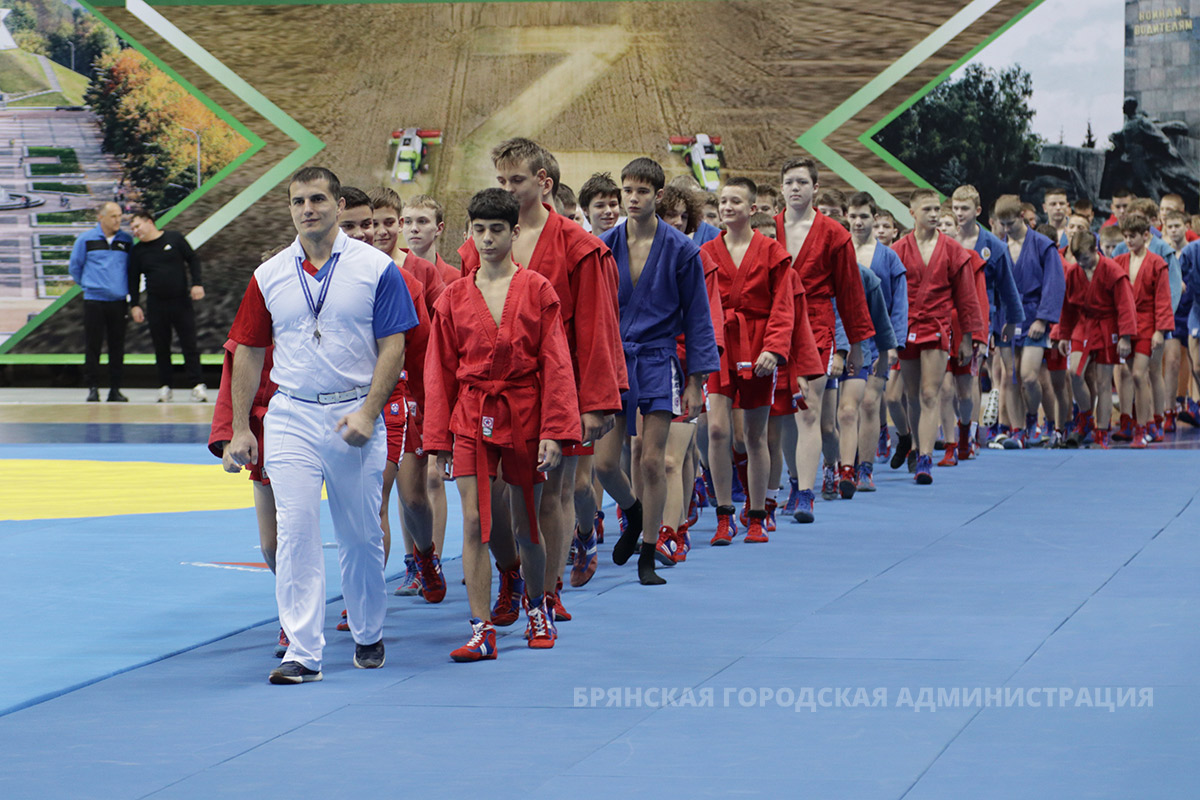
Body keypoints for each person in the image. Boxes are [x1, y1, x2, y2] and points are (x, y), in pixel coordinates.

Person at [225, 166, 419, 684]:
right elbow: (247, 350)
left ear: (337, 205)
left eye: (316, 199)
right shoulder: (268, 274)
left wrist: (369, 412)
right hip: (290, 414)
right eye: (297, 202)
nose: (306, 209)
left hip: (352, 412)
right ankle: (303, 653)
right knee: (295, 531)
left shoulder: (376, 268)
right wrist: (241, 426)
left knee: (359, 534)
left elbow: (393, 346)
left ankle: (367, 630)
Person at [459, 138, 624, 634]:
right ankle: (513, 573)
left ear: (544, 183)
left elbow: (597, 328)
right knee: (500, 497)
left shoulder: (580, 246)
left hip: (558, 389)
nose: (507, 190)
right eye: (501, 181)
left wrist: (596, 401)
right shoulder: (479, 244)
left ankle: (545, 592)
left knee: (551, 495)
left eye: (516, 181)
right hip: (492, 392)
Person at [425, 188, 579, 660]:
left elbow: (556, 363)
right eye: (479, 230)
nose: (487, 239)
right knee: (475, 523)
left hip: (526, 412)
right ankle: (480, 627)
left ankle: (537, 606)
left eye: (497, 230)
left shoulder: (537, 289)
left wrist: (555, 430)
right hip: (471, 415)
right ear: (468, 233)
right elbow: (440, 372)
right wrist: (438, 440)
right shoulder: (453, 297)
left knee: (527, 522)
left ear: (514, 232)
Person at [593, 158, 718, 584]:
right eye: (627, 191)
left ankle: (649, 552)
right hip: (615, 360)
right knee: (605, 463)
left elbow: (698, 316)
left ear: (658, 196)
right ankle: (634, 510)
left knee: (653, 461)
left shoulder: (683, 250)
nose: (632, 198)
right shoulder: (605, 245)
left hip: (660, 360)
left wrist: (698, 380)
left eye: (642, 191)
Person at [338, 187, 446, 608]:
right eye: (359, 225)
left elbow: (423, 354)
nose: (371, 233)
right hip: (345, 404)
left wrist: (433, 414)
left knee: (414, 498)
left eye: (378, 223)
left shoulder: (408, 280)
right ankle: (362, 597)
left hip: (403, 400)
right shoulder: (323, 279)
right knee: (372, 500)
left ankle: (425, 555)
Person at [775, 157, 873, 521]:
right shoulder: (768, 230)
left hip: (816, 322)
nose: (795, 188)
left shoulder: (835, 234)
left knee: (810, 410)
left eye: (802, 182)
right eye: (790, 182)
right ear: (782, 187)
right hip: (778, 326)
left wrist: (857, 345)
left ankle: (806, 493)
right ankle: (796, 479)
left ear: (816, 188)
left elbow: (850, 294)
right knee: (784, 414)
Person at [704, 177, 795, 542]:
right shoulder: (707, 251)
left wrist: (773, 348)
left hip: (758, 345)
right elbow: (701, 305)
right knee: (716, 430)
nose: (727, 207)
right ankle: (724, 514)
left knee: (755, 436)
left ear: (752, 209)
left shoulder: (773, 252)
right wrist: (704, 347)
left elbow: (783, 306)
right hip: (720, 345)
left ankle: (756, 515)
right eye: (723, 201)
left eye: (736, 202)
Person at [210, 244, 287, 656]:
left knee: (335, 532)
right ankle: (290, 614)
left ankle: (350, 612)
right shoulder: (244, 340)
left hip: (318, 430)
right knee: (272, 545)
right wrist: (230, 438)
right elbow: (230, 388)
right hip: (265, 438)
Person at [892, 188, 984, 482]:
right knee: (910, 395)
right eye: (927, 210)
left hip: (937, 327)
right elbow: (891, 297)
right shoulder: (898, 249)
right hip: (906, 329)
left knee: (930, 393)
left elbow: (967, 298)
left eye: (936, 209)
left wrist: (968, 337)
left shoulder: (954, 250)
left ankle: (925, 458)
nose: (934, 215)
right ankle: (917, 446)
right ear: (912, 213)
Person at [992, 194, 1065, 448]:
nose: (1006, 229)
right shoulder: (997, 247)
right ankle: (1018, 429)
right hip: (1006, 318)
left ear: (1022, 216)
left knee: (1030, 377)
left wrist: (1044, 320)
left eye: (1010, 223)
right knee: (1011, 376)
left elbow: (1054, 284)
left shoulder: (1044, 245)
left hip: (1034, 315)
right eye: (1002, 224)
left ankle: (1034, 418)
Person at [1053, 231, 1135, 448]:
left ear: (1095, 250)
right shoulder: (1073, 271)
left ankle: (1102, 432)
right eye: (1078, 259)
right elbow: (1067, 307)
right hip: (1083, 324)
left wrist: (1125, 337)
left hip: (1108, 325)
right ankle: (1086, 417)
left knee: (1103, 383)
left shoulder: (1113, 271)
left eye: (1086, 259)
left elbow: (1125, 306)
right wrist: (1063, 335)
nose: (1082, 263)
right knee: (1074, 373)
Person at [846, 192, 905, 490]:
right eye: (853, 216)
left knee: (870, 404)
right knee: (846, 410)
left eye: (864, 217)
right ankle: (848, 464)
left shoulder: (889, 257)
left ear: (874, 218)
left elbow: (898, 304)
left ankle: (865, 469)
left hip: (877, 341)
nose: (858, 222)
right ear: (847, 217)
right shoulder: (839, 252)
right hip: (845, 341)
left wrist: (892, 344)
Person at [127, 208, 207, 403]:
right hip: (156, 304)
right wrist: (135, 305)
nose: (135, 231)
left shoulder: (174, 238)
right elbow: (133, 279)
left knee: (189, 344)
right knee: (161, 347)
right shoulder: (137, 252)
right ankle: (165, 386)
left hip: (181, 301)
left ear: (149, 221)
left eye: (137, 226)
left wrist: (197, 283)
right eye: (132, 229)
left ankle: (197, 385)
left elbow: (193, 259)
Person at [1115, 213, 1173, 447]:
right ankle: (1148, 422)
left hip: (1149, 322)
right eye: (1126, 236)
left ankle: (1146, 427)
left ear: (1146, 236)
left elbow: (1163, 299)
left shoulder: (1157, 263)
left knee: (1142, 374)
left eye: (1134, 236)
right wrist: (1120, 332)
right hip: (1127, 325)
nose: (1129, 241)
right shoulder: (1118, 262)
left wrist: (1161, 330)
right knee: (1132, 375)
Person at [70, 201, 133, 402]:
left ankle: (115, 389)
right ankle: (93, 388)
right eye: (113, 216)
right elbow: (75, 267)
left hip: (118, 302)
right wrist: (90, 286)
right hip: (94, 301)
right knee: (93, 345)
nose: (118, 220)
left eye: (120, 215)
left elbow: (132, 269)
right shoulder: (86, 239)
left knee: (117, 346)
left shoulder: (126, 240)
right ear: (101, 217)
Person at [402, 194, 459, 285]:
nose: (414, 229)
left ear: (439, 228)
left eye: (422, 221)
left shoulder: (456, 280)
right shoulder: (392, 272)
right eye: (408, 222)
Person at [578, 172, 622, 237]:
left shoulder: (628, 243)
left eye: (613, 205)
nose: (608, 211)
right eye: (600, 206)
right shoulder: (580, 245)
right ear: (585, 210)